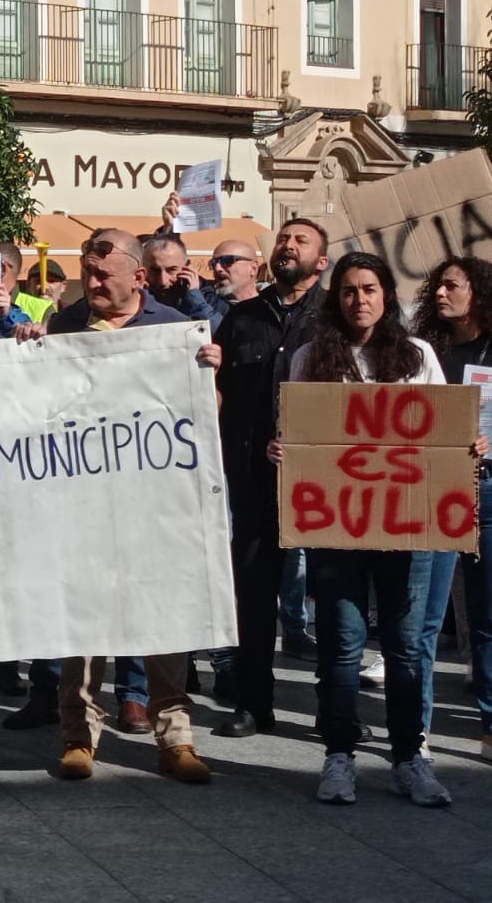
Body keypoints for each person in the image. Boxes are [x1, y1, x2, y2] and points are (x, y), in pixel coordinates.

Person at [270, 251, 460, 807]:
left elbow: (444, 427)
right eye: (350, 290)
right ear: (337, 299)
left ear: (386, 296)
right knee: (342, 644)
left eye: (370, 289)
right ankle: (338, 755)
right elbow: (297, 433)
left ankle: (409, 759)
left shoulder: (417, 354)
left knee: (404, 647)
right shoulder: (311, 357)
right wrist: (282, 449)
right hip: (338, 528)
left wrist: (467, 445)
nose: (360, 300)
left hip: (404, 526)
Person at [42, 229, 213, 784]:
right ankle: (78, 735)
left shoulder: (172, 330)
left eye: (102, 276)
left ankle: (176, 736)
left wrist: (211, 372)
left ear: (139, 277)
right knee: (84, 623)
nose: (90, 284)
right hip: (85, 501)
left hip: (157, 504)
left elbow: (203, 413)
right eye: (87, 274)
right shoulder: (64, 325)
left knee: (165, 616)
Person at [211, 218, 331, 739]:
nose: (288, 245)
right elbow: (214, 390)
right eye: (284, 238)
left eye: (302, 240)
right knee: (255, 596)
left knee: (333, 596)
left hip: (323, 484)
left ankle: (336, 710)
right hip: (254, 480)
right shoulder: (241, 318)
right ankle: (254, 704)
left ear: (321, 262)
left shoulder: (335, 318)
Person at [411, 256, 492, 763]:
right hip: (433, 492)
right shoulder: (424, 351)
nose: (440, 294)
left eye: (451, 286)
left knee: (487, 615)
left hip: (487, 491)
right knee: (423, 616)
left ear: (479, 293)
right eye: (436, 286)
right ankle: (412, 726)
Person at [142, 234, 219, 330]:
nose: (163, 281)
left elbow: (219, 333)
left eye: (171, 270)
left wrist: (195, 298)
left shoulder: (208, 296)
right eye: (155, 270)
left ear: (187, 267)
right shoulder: (138, 296)